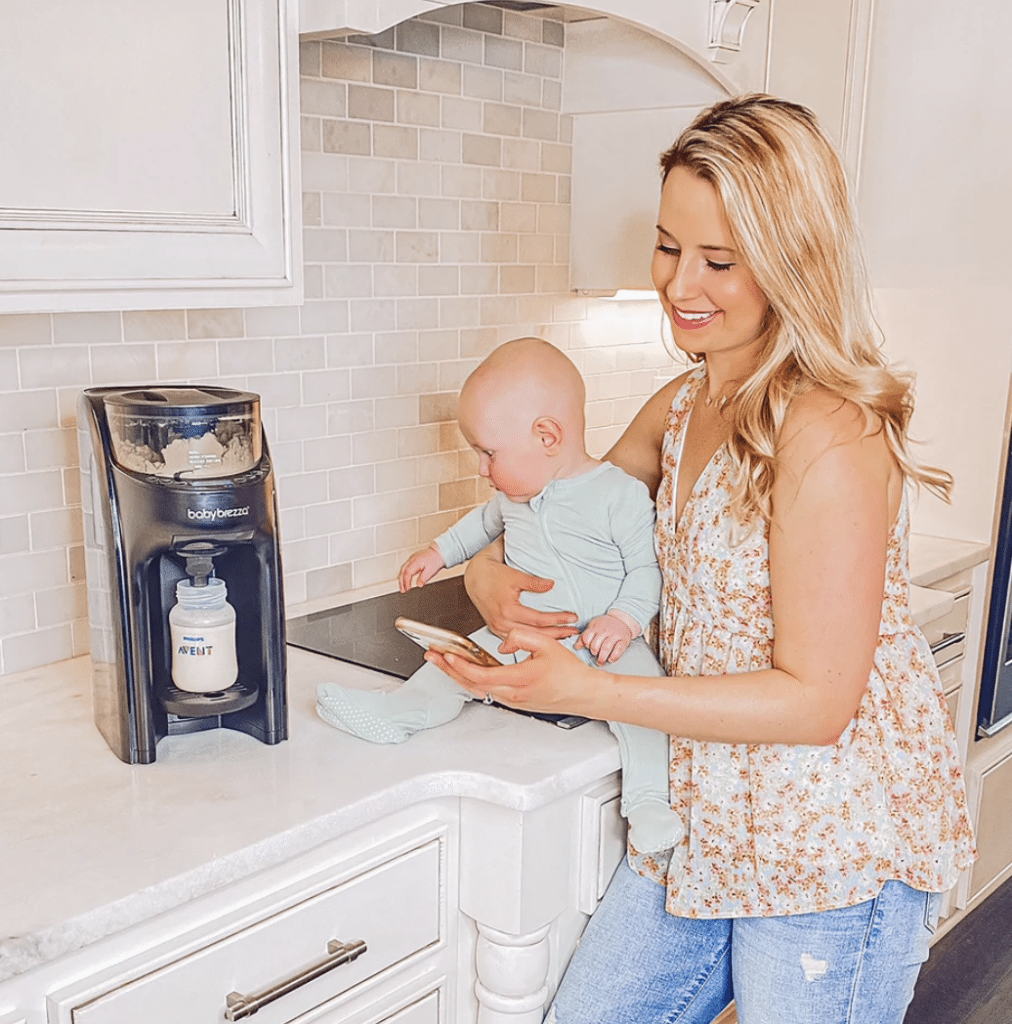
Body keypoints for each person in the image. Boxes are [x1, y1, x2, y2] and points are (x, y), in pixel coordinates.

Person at [425, 94, 977, 1024]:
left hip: (830, 844)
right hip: (710, 818)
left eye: (719, 260)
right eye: (668, 245)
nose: (681, 282)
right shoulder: (683, 406)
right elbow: (559, 519)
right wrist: (486, 577)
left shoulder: (828, 429)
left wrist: (588, 689)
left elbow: (815, 700)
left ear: (790, 261)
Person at [317, 337, 683, 854]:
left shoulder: (617, 494)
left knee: (647, 712)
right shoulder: (513, 497)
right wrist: (437, 553)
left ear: (547, 436)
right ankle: (402, 713)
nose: (482, 469)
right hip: (522, 634)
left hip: (608, 645)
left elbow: (648, 571)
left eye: (488, 453)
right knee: (454, 661)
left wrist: (622, 621)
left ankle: (648, 802)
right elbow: (477, 527)